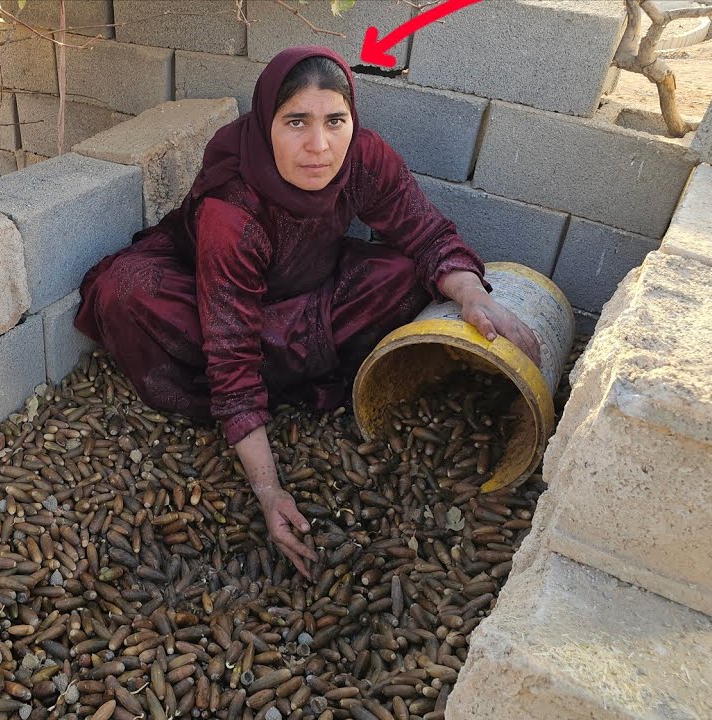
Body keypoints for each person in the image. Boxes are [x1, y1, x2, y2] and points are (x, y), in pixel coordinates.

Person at [75, 46, 541, 580]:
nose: (319, 146)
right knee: (126, 291)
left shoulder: (364, 157)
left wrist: (473, 296)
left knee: (402, 275)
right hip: (208, 296)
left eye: (334, 121)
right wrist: (269, 492)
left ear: (352, 120)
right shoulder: (233, 208)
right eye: (296, 121)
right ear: (265, 123)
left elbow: (426, 233)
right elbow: (228, 349)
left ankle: (269, 379)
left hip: (305, 291)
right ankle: (271, 394)